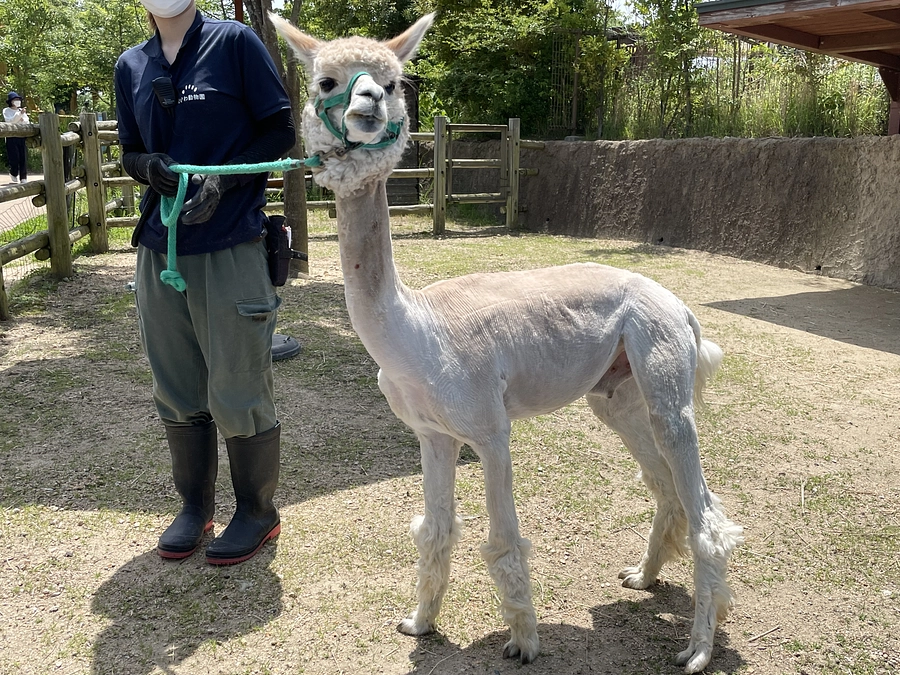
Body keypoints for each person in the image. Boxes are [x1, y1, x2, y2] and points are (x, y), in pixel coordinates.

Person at [114, 0, 296, 565]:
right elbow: (129, 150)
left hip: (231, 242)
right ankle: (195, 507)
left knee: (238, 385)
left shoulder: (235, 42)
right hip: (158, 246)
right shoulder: (131, 66)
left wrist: (222, 180)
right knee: (175, 384)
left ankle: (257, 511)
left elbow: (279, 132)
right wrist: (147, 168)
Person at [3, 92, 29, 184]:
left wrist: (21, 117)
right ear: (11, 101)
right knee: (14, 157)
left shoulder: (21, 110)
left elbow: (26, 122)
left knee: (23, 157)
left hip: (21, 136)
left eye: (18, 100)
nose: (17, 102)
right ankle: (13, 172)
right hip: (11, 137)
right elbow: (10, 121)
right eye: (15, 100)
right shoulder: (6, 110)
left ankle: (23, 177)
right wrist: (19, 116)